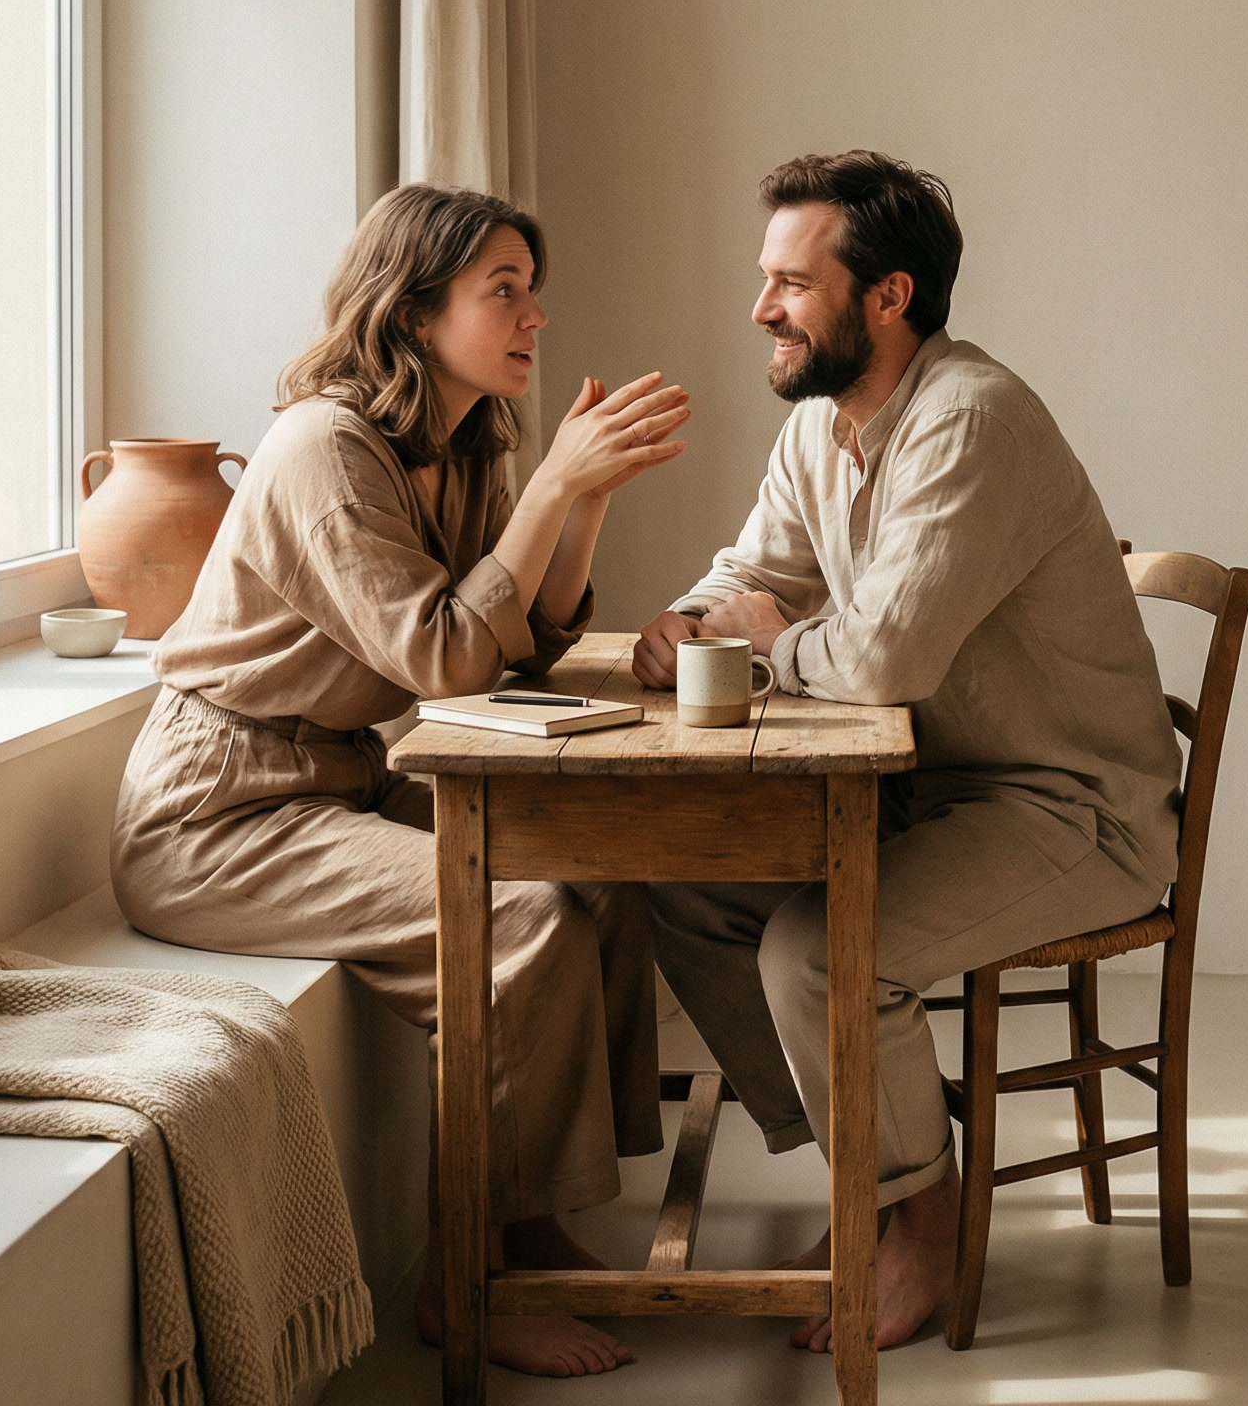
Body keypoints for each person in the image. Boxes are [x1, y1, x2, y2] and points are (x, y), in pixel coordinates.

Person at [112, 183, 690, 1381]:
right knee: (517, 918)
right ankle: (462, 1281)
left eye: (534, 289)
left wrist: (576, 497)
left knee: (591, 871)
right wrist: (547, 493)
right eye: (504, 291)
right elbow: (436, 656)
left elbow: (514, 639)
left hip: (332, 780)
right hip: (217, 808)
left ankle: (529, 1216)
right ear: (416, 310)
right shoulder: (325, 446)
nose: (535, 315)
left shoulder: (468, 439)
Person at [634, 151, 1181, 1353]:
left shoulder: (969, 418)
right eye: (764, 278)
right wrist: (688, 617)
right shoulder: (824, 425)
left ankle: (922, 1218)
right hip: (928, 793)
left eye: (790, 280)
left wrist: (766, 644)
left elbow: (878, 662)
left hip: (1072, 808)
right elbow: (755, 574)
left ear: (886, 296)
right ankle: (863, 1185)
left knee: (816, 953)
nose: (760, 307)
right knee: (679, 881)